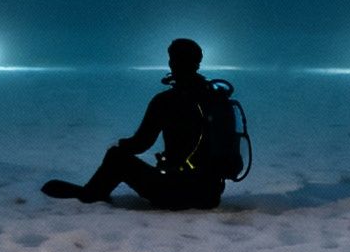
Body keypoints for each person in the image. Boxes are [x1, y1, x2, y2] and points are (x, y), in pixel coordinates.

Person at [42, 38, 226, 210]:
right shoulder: (217, 98)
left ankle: (91, 195)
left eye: (172, 59)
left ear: (173, 62)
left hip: (176, 194)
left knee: (116, 157)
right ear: (197, 63)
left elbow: (141, 144)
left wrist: (120, 145)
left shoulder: (166, 100)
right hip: (210, 196)